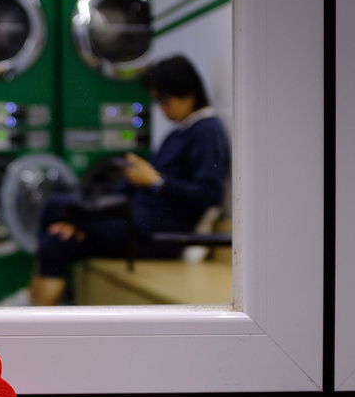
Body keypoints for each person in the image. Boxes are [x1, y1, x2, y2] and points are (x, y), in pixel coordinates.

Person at [23, 55, 230, 306]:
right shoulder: (179, 132)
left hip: (161, 233)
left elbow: (209, 193)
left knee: (56, 205)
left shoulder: (207, 131)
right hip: (138, 222)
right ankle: (33, 309)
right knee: (55, 242)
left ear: (187, 92)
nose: (162, 108)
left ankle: (33, 309)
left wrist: (156, 181)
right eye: (157, 101)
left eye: (164, 99)